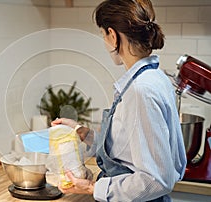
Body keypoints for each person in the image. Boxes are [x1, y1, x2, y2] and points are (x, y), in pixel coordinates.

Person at [51, 0, 187, 201]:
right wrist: (84, 132)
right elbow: (128, 151)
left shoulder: (141, 91)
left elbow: (155, 180)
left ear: (113, 36)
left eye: (103, 35)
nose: (105, 42)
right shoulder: (154, 78)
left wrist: (92, 187)